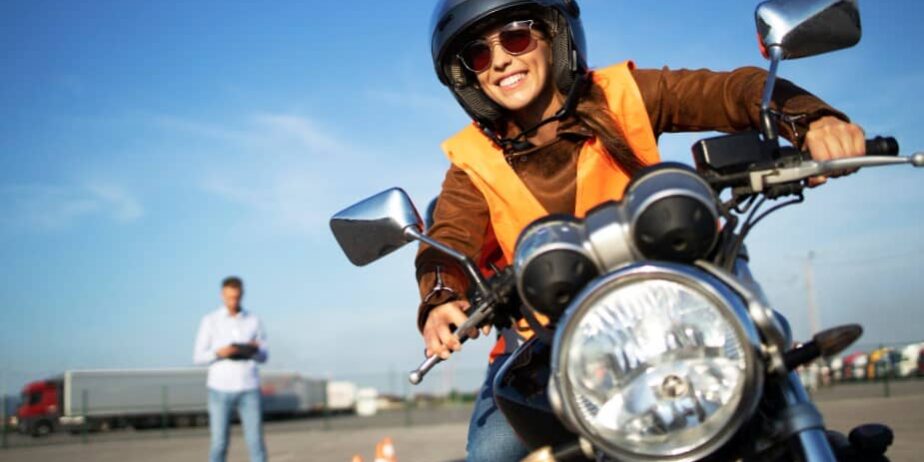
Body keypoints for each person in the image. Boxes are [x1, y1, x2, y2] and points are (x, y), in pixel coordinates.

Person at [417, 1, 868, 460]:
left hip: (675, 315)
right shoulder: (471, 162)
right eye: (477, 54)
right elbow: (448, 237)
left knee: (769, 376)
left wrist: (811, 118)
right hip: (550, 354)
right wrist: (439, 297)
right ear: (466, 76)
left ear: (553, 35)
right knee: (493, 454)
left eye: (516, 37)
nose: (499, 61)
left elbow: (730, 90)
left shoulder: (620, 95)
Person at [193, 276, 268, 462]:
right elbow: (198, 357)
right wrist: (220, 352)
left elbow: (264, 356)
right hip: (219, 388)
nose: (233, 301)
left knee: (256, 442)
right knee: (219, 443)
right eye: (229, 297)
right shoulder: (210, 320)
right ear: (222, 295)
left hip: (249, 387)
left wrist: (254, 350)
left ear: (242, 294)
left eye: (237, 297)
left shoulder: (254, 320)